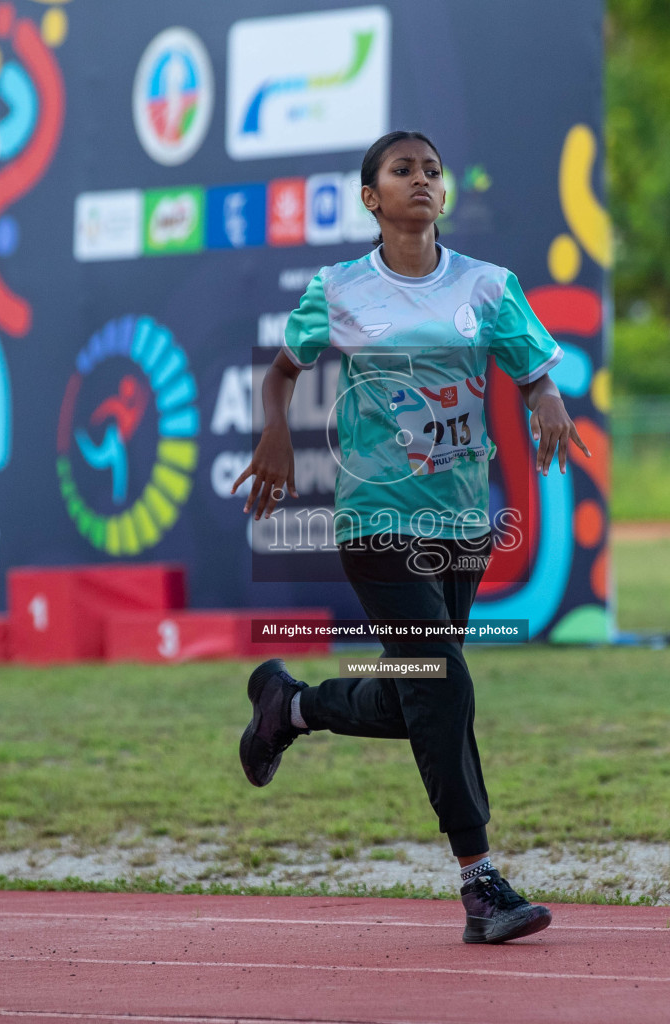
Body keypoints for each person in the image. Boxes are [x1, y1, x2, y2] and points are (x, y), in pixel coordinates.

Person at [231, 130, 590, 944]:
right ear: (372, 198)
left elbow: (533, 366)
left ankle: (288, 707)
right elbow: (283, 371)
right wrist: (276, 434)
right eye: (403, 171)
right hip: (376, 517)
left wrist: (546, 402)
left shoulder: (487, 286)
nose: (421, 180)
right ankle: (480, 882)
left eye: (431, 170)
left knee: (420, 690)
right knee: (445, 684)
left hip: (462, 523)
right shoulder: (341, 288)